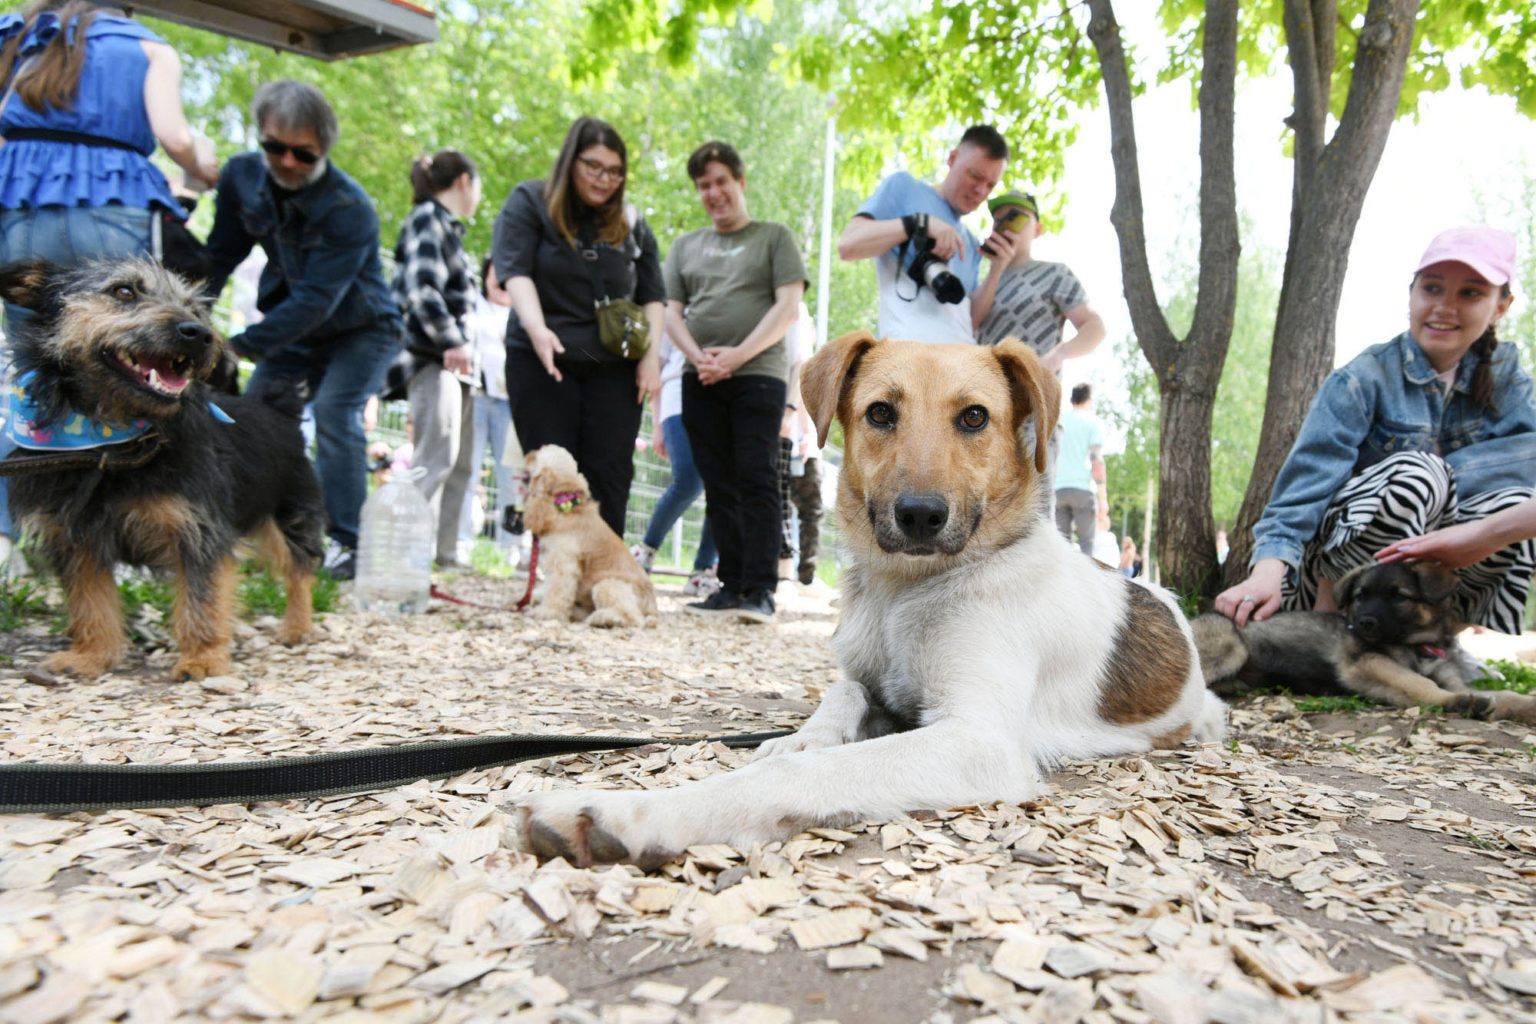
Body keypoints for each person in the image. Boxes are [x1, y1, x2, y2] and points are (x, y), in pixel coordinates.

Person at [1218, 226, 1536, 634]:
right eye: (1432, 289)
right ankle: (1334, 623)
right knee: (1422, 474)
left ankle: (1456, 640)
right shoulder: (1363, 379)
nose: (1444, 307)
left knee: (1518, 504)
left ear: (1500, 307)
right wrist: (1266, 573)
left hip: (1431, 580)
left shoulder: (1506, 380)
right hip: (1342, 577)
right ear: (1412, 294)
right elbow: (1300, 494)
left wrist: (1457, 482)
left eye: (1469, 293)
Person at [0, 0, 218, 572]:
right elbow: (173, 135)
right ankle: (126, 526)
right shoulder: (148, 46)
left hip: (21, 203)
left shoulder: (21, 34)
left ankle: (16, 537)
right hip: (112, 205)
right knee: (140, 360)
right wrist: (205, 166)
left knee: (28, 372)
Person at [203, 80, 402, 581]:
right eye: (275, 147)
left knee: (336, 411)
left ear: (324, 149)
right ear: (260, 137)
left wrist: (236, 345)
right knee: (255, 418)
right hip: (293, 328)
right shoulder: (241, 178)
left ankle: (346, 544)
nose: (286, 161)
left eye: (303, 153)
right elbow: (219, 256)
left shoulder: (350, 207)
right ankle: (245, 534)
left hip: (363, 328)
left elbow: (318, 298)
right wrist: (184, 322)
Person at [491, 116, 662, 538]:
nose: (604, 179)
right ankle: (564, 568)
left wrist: (651, 358)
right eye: (593, 166)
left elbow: (653, 295)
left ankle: (605, 572)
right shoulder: (530, 202)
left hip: (611, 365)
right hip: (544, 359)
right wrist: (536, 328)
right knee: (556, 475)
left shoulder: (630, 222)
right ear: (571, 161)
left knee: (610, 473)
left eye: (615, 171)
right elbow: (515, 272)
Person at [665, 141, 807, 623]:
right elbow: (671, 312)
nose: (714, 192)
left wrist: (738, 356)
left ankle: (761, 590)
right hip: (699, 376)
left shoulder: (774, 238)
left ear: (740, 183)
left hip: (757, 376)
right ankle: (730, 584)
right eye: (704, 185)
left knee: (756, 475)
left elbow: (787, 308)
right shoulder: (685, 246)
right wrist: (697, 357)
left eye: (721, 181)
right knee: (717, 482)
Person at [392, 149, 483, 570]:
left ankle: (445, 553)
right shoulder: (427, 219)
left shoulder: (450, 230)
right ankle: (400, 551)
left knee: (461, 464)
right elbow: (421, 289)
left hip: (462, 367)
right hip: (434, 358)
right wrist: (452, 340)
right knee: (435, 456)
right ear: (464, 181)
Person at [837, 125, 1008, 344]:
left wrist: (997, 268)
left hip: (960, 363)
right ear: (953, 158)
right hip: (908, 356)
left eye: (991, 185)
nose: (981, 191)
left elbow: (970, 321)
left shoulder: (971, 243)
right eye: (975, 176)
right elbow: (849, 245)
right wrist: (918, 224)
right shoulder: (905, 188)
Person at [630, 332, 719, 597]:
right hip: (677, 396)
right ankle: (645, 550)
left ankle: (702, 570)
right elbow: (658, 364)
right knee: (688, 481)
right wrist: (657, 425)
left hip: (721, 399)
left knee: (720, 488)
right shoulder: (675, 307)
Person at [972, 190, 1106, 367]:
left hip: (1035, 391)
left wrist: (1059, 355)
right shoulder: (983, 284)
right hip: (988, 390)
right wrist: (995, 270)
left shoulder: (1055, 273)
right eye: (998, 220)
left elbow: (1094, 326)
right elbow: (971, 321)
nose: (1007, 225)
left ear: (1037, 229)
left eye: (1016, 217)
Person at [460, 258, 522, 559]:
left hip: (511, 403)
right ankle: (461, 541)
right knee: (467, 469)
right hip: (477, 396)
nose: (499, 280)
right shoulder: (474, 307)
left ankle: (512, 545)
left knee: (512, 476)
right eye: (494, 272)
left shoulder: (524, 311)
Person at [1055, 383, 1105, 555]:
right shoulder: (1092, 421)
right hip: (1083, 490)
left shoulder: (1059, 419)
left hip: (1058, 490)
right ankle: (1085, 582)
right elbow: (1096, 460)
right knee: (1087, 545)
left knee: (1062, 548)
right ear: (1089, 399)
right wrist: (1103, 498)